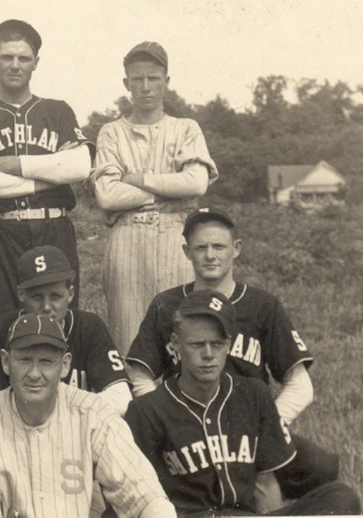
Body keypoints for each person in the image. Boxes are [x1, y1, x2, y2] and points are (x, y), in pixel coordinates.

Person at [127, 207, 340, 502]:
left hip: (249, 431)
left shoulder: (262, 305)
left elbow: (300, 384)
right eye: (201, 247)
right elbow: (140, 374)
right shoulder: (167, 304)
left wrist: (265, 428)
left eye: (219, 246)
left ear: (236, 249)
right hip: (186, 428)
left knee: (323, 467)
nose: (210, 255)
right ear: (186, 251)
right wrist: (165, 424)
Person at [126, 290, 360, 516]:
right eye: (197, 344)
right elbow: (138, 496)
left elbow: (266, 482)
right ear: (175, 345)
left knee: (340, 496)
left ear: (228, 344)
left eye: (216, 344)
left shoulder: (252, 394)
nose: (208, 354)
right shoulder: (147, 410)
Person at [0, 313, 175, 518]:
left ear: (65, 365)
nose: (35, 373)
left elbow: (142, 493)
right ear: (5, 361)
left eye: (46, 362)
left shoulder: (93, 413)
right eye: (24, 360)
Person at [0, 19, 93, 325]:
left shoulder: (57, 110)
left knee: (60, 324)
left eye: (24, 58)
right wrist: (49, 176)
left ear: (36, 63)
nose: (15, 65)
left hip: (53, 227)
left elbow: (80, 165)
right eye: (7, 57)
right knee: (2, 324)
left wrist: (4, 165)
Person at [92, 41, 218, 356]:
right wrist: (166, 190)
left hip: (176, 237)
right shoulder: (111, 132)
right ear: (127, 84)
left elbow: (196, 182)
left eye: (153, 78)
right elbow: (107, 196)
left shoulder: (186, 128)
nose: (146, 87)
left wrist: (139, 181)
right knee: (130, 340)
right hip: (128, 238)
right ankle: (137, 406)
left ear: (166, 82)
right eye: (138, 79)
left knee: (182, 334)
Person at [0, 245, 131, 415]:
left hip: (78, 429)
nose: (46, 307)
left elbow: (121, 396)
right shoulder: (0, 330)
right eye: (37, 297)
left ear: (70, 294)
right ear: (21, 294)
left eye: (55, 296)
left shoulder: (88, 327)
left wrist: (62, 419)